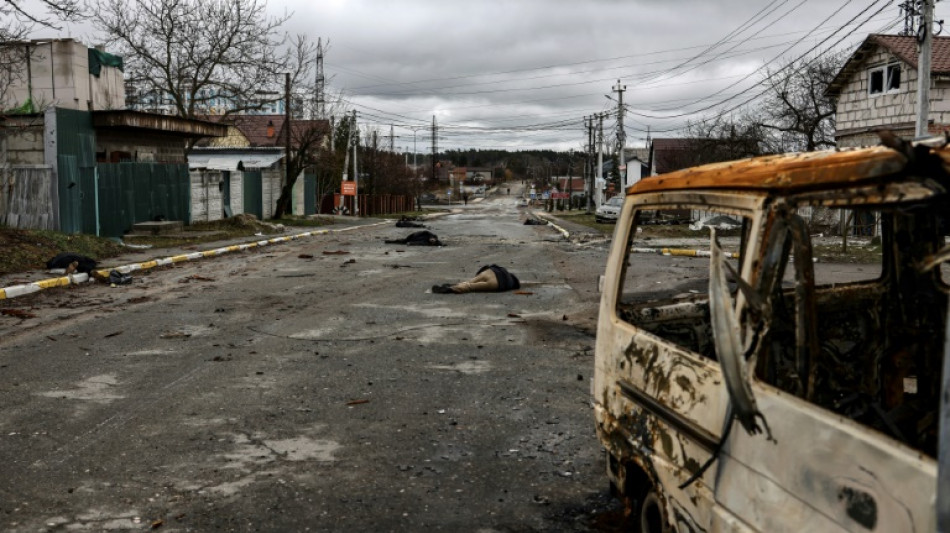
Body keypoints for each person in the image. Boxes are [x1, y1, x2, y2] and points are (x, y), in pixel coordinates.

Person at [432, 264, 520, 294]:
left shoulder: (503, 270)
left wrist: (477, 276)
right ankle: (451, 289)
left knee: (470, 281)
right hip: (495, 283)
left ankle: (456, 284)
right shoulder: (511, 283)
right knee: (470, 287)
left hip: (489, 271)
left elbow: (486, 267)